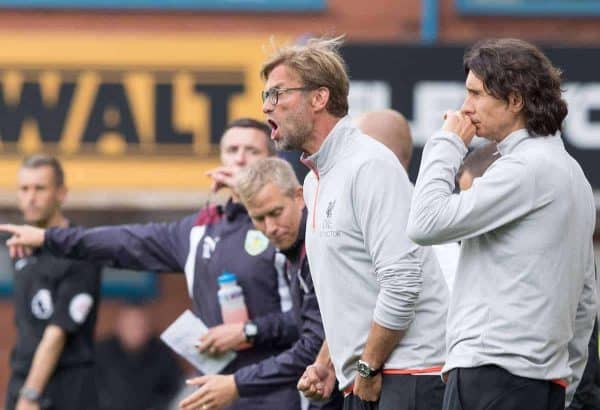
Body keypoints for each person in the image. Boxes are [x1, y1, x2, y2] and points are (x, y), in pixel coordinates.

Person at [1, 118, 303, 410]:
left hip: (281, 392)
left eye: (252, 151)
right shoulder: (200, 230)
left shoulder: (288, 227)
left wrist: (250, 331)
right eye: (232, 150)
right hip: (218, 391)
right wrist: (50, 238)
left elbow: (316, 322)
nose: (240, 159)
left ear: (272, 162)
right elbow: (126, 241)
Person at [406, 38, 598, 410]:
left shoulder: (523, 168)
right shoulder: (572, 174)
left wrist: (447, 143)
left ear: (514, 101)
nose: (465, 107)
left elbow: (424, 223)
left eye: (476, 94)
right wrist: (567, 381)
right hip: (541, 380)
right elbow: (585, 299)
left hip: (492, 372)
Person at [261, 36, 449, 410]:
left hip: (410, 377)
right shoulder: (316, 179)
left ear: (319, 98)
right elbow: (356, 292)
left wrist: (365, 366)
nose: (268, 106)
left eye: (279, 94)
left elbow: (402, 282)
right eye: (265, 96)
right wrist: (328, 363)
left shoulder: (369, 164)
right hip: (371, 377)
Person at [180, 157, 344, 410]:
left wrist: (236, 383)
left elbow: (312, 345)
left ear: (299, 197)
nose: (270, 227)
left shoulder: (318, 246)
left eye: (276, 213)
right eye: (259, 218)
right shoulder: (294, 250)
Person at [5, 154, 101, 410]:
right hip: (22, 379)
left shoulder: (79, 252)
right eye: (24, 189)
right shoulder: (21, 248)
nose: (31, 198)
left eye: (40, 188)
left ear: (61, 193)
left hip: (65, 387)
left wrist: (31, 394)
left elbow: (57, 333)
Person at [95, 302, 183, 410]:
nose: (135, 331)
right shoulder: (101, 352)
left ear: (148, 328)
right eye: (130, 325)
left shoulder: (162, 353)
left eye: (140, 326)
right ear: (119, 326)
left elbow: (175, 387)